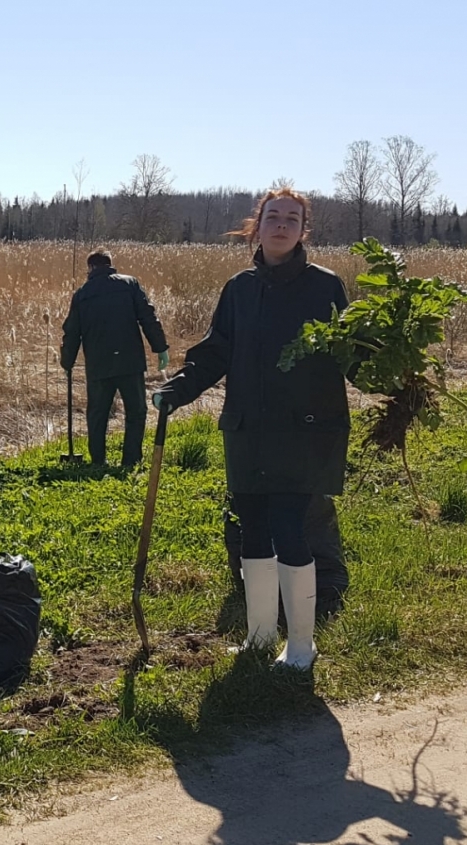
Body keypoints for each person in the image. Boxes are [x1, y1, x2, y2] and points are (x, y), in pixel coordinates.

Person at [153, 189, 348, 671]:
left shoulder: (325, 286)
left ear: (305, 229)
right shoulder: (239, 288)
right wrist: (179, 387)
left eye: (292, 219)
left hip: (304, 432)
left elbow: (351, 351)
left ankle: (301, 645)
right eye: (273, 217)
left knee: (288, 527)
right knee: (253, 532)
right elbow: (217, 350)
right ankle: (260, 637)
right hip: (246, 430)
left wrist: (392, 376)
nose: (282, 225)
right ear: (256, 226)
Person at [60, 249, 170, 468]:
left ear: (90, 268)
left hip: (99, 365)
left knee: (98, 415)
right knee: (136, 412)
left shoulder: (82, 294)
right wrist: (160, 347)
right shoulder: (130, 284)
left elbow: (72, 332)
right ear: (110, 264)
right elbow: (148, 317)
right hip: (130, 362)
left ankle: (98, 461)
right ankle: (131, 461)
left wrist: (67, 362)